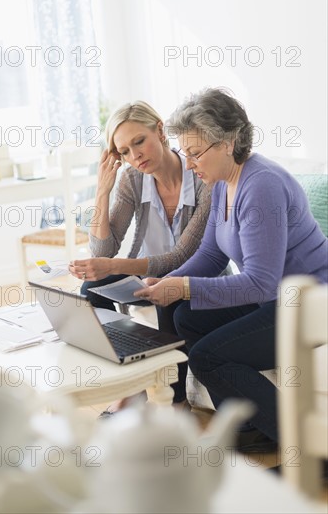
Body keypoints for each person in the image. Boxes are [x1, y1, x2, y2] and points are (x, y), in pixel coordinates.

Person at [134, 87, 328, 451]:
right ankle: (248, 426)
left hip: (312, 305)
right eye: (185, 153)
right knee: (186, 316)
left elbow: (260, 283)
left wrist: (184, 286)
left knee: (208, 354)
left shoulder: (262, 186)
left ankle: (306, 447)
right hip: (276, 300)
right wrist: (167, 283)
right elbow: (211, 254)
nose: (189, 164)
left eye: (195, 154)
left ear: (228, 142)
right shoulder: (224, 183)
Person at [69, 100, 211, 405]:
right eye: (124, 152)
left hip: (194, 272)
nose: (135, 156)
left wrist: (112, 265)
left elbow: (184, 255)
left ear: (159, 130)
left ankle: (178, 403)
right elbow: (103, 248)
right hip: (145, 270)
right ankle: (127, 388)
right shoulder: (132, 178)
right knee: (90, 289)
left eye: (139, 141)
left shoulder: (200, 176)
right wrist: (101, 191)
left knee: (169, 293)